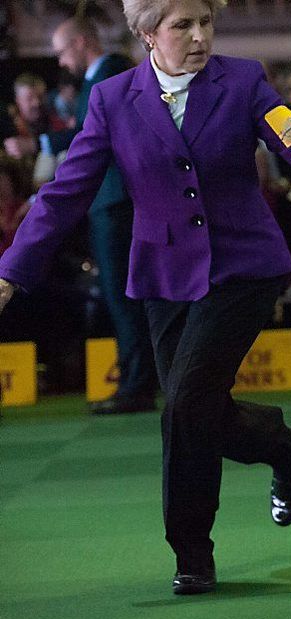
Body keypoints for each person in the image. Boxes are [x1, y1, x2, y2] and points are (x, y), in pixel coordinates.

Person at [0, 0, 291, 596]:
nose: (200, 35)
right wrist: (12, 270)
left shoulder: (244, 81)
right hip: (163, 279)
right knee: (198, 408)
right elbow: (63, 194)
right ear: (146, 32)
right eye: (182, 25)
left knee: (185, 402)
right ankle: (283, 446)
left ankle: (192, 555)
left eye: (206, 21)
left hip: (243, 268)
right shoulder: (110, 100)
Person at [45, 17, 160, 415]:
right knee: (122, 295)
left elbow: (89, 134)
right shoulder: (105, 74)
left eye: (61, 51)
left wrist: (42, 141)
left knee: (124, 295)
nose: (60, 62)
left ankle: (137, 386)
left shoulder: (108, 72)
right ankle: (137, 382)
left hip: (116, 202)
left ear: (79, 42)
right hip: (111, 202)